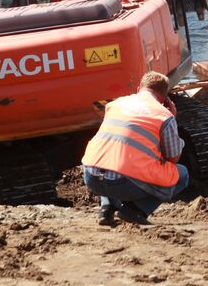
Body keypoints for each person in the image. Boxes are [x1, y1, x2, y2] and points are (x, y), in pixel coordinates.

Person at [81, 71, 190, 225]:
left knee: (112, 155)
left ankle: (107, 209)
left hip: (91, 177)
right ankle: (135, 211)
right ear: (164, 97)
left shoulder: (115, 105)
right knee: (182, 174)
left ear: (139, 89)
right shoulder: (163, 115)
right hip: (124, 184)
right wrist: (173, 118)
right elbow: (173, 158)